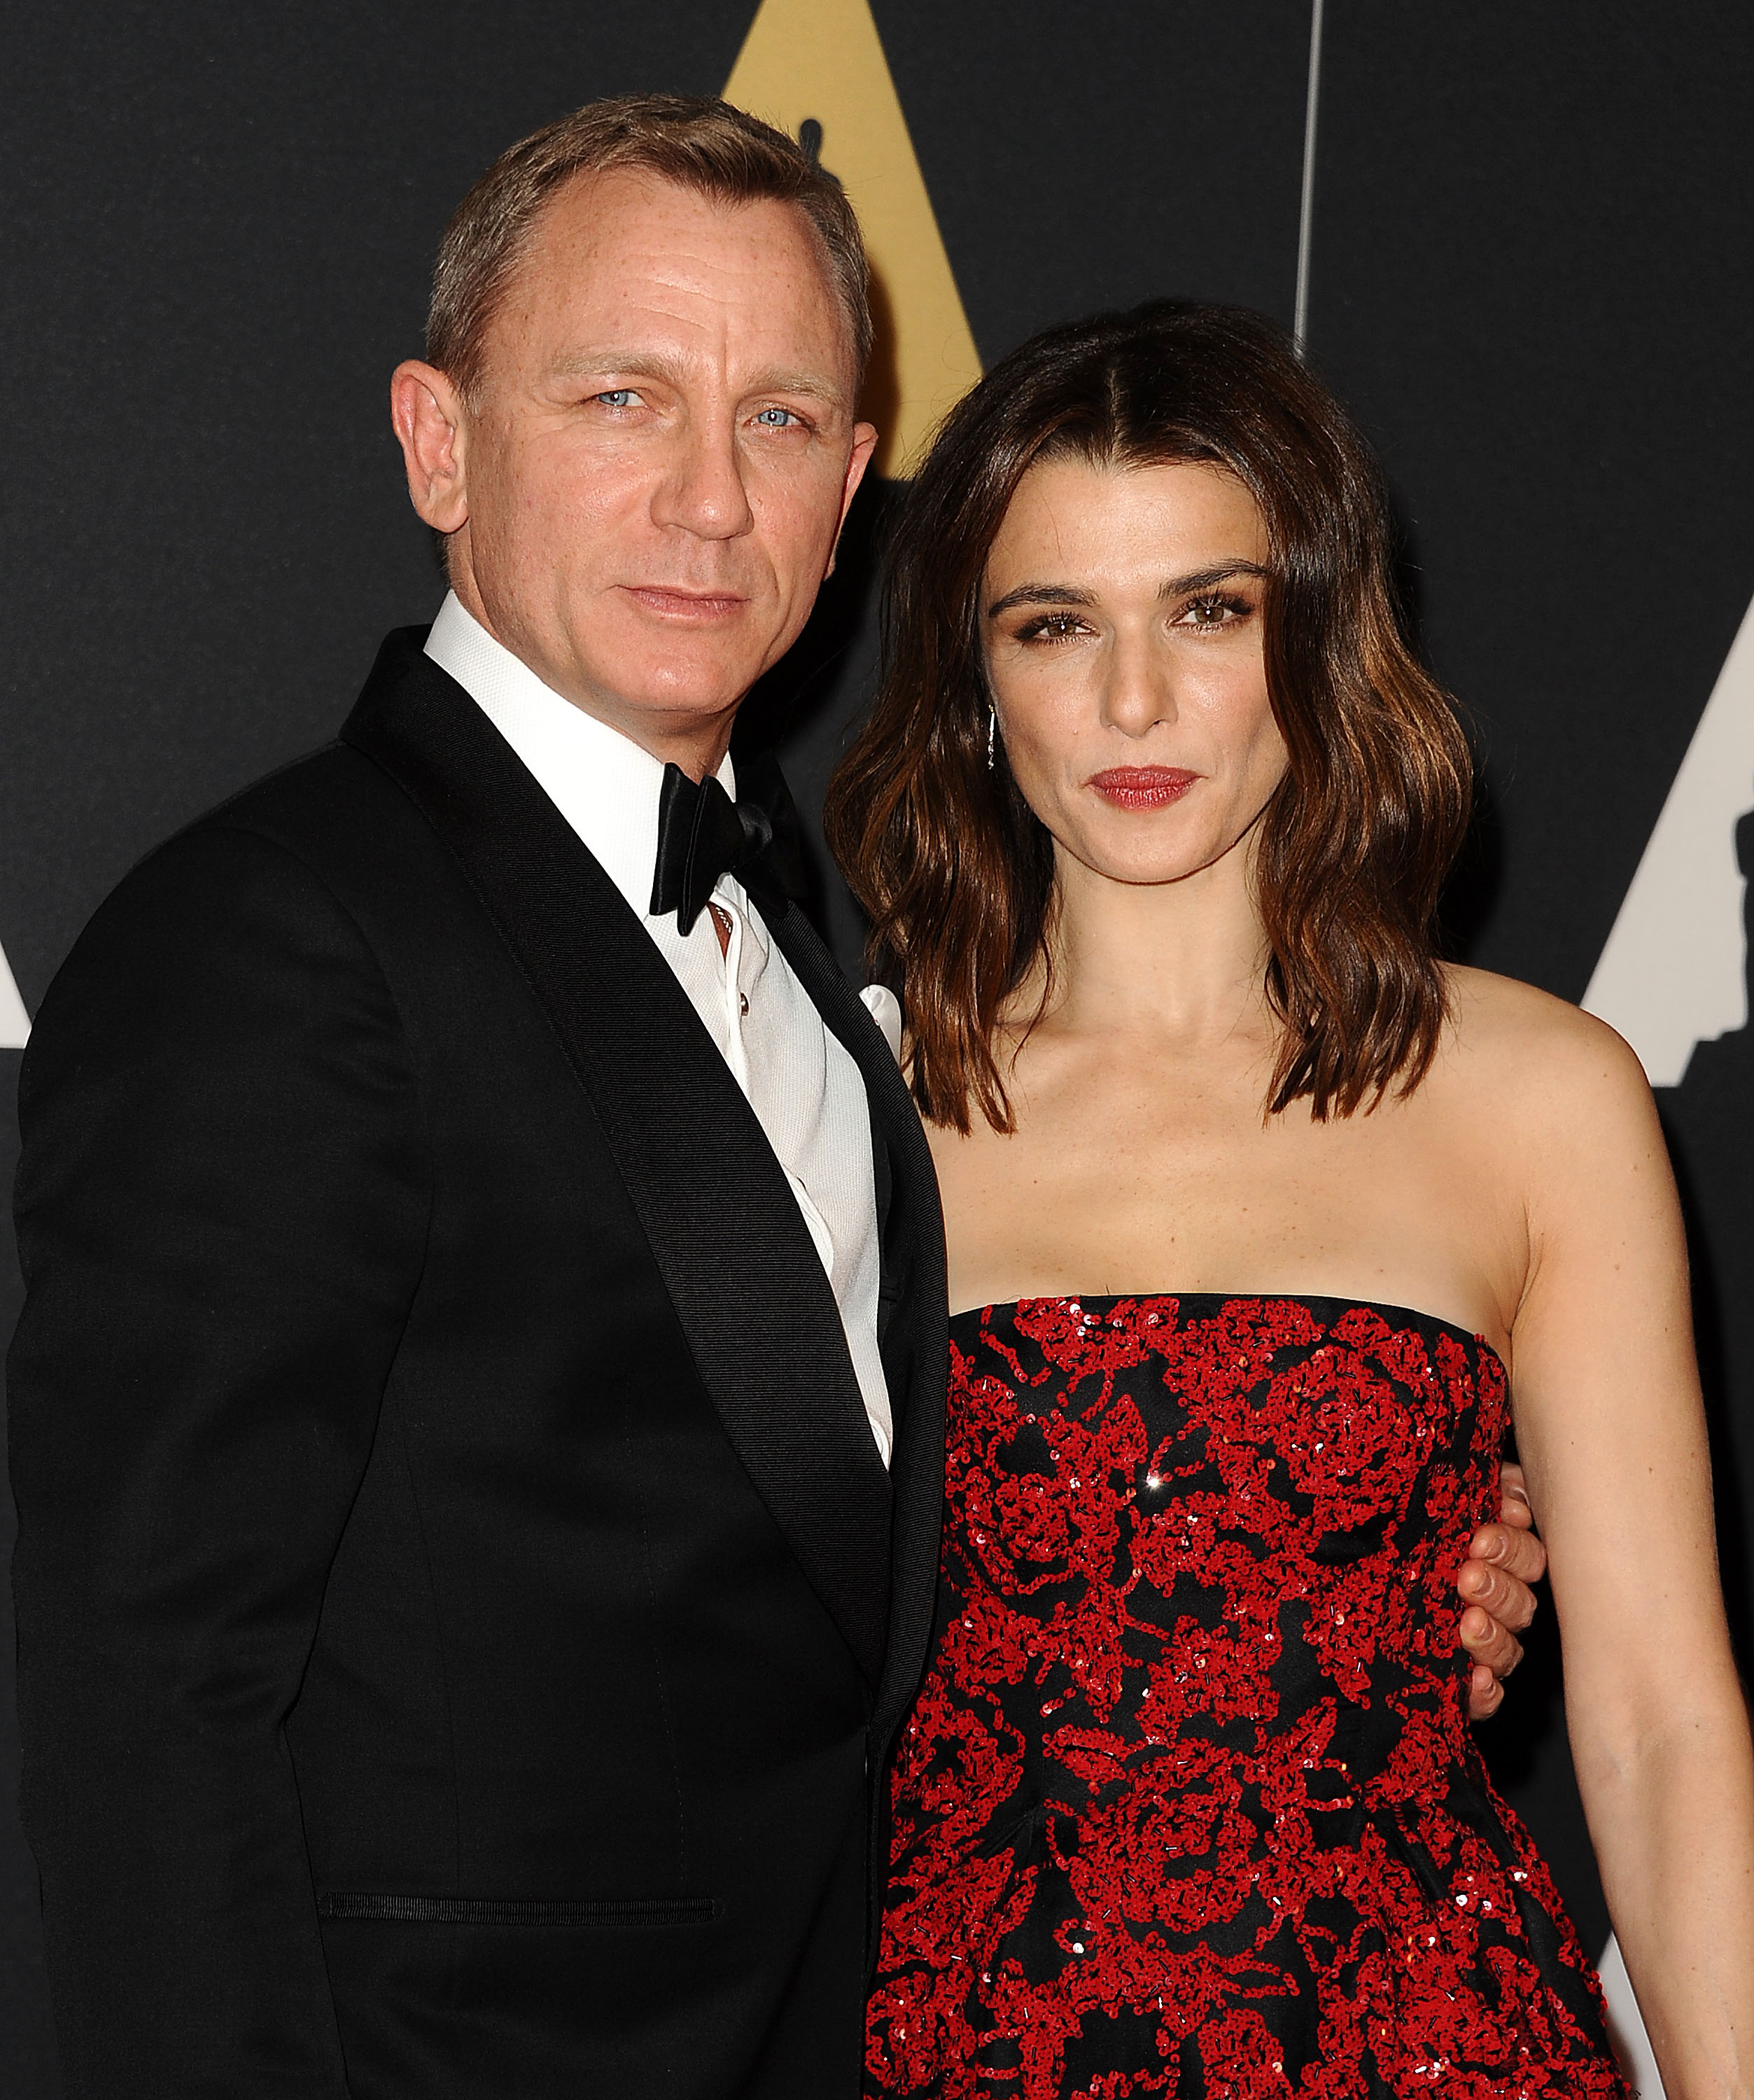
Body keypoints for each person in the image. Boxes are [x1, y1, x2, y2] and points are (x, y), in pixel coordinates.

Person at [5, 99, 1538, 2100]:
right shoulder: (281, 938)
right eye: (623, 398)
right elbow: (141, 1696)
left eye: (783, 419)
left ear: (852, 495)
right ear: (437, 441)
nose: (710, 502)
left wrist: (1335, 1586)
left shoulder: (831, 984)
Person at [827, 302, 1754, 2096]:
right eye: (1051, 626)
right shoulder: (842, 1112)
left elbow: (1653, 1722)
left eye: (1209, 610)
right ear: (972, 679)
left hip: (1427, 2042)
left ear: (1316, 633)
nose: (1130, 702)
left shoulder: (1535, 1097)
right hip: (955, 2050)